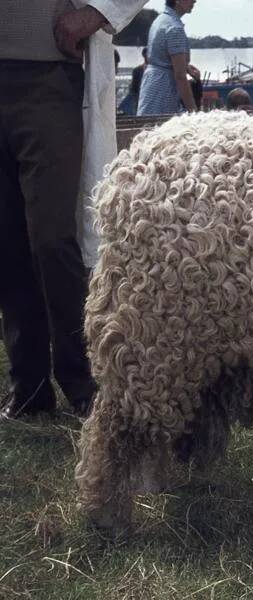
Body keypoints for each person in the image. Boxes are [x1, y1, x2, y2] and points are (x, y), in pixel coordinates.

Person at [0, 0, 145, 421]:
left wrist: (97, 13)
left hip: (50, 79)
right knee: (7, 240)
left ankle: (83, 382)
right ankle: (28, 388)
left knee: (52, 238)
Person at [137, 0, 202, 116]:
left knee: (147, 125)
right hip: (164, 89)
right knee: (160, 128)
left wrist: (185, 66)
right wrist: (194, 112)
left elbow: (161, 55)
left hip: (152, 84)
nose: (195, 1)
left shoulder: (161, 20)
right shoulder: (174, 28)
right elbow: (180, 76)